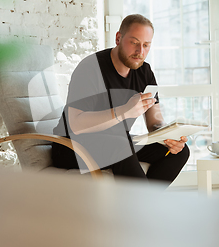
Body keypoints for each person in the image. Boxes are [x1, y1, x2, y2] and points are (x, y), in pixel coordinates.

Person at [52, 14, 189, 185]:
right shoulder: (91, 68)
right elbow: (76, 124)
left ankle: (141, 205)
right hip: (72, 146)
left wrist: (167, 136)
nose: (140, 51)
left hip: (118, 141)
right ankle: (143, 208)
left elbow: (154, 121)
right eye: (134, 43)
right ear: (118, 38)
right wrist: (124, 111)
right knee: (121, 146)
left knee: (178, 152)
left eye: (146, 45)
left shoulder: (144, 72)